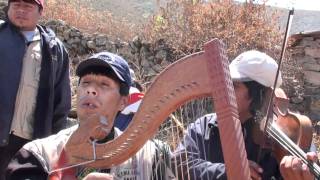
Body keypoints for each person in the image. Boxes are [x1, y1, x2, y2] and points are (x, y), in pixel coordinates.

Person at [6, 52, 174, 180]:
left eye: (104, 84)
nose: (90, 90)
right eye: (85, 82)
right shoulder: (37, 155)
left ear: (123, 102)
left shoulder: (151, 157)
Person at [172, 50, 318, 180]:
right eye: (224, 83)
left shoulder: (290, 134)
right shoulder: (204, 125)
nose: (222, 90)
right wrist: (227, 172)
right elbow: (178, 164)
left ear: (258, 95)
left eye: (233, 86)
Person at [0, 0, 71, 178]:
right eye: (16, 5)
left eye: (28, 7)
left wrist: (54, 144)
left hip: (28, 143)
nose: (21, 11)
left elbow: (61, 103)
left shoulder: (54, 50)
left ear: (40, 12)